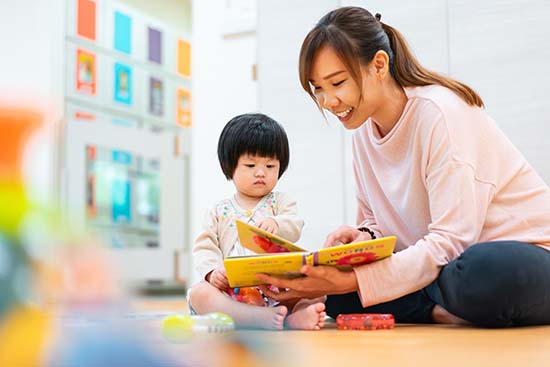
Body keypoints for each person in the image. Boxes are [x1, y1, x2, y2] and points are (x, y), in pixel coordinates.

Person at [256, 6, 550, 328]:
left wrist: (360, 280)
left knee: (482, 272)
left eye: (337, 83)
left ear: (379, 65)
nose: (327, 101)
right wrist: (362, 235)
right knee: (338, 295)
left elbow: (452, 241)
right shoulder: (363, 132)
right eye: (318, 88)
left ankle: (431, 303)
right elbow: (379, 221)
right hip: (446, 265)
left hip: (523, 255)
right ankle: (440, 309)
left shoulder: (440, 114)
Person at [189, 113, 326, 330]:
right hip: (232, 290)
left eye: (270, 166)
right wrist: (212, 272)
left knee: (316, 292)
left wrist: (277, 223)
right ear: (230, 166)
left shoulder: (281, 202)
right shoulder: (218, 210)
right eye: (251, 165)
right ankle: (250, 316)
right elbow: (204, 246)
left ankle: (294, 318)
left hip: (277, 289)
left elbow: (295, 225)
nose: (261, 173)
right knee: (199, 293)